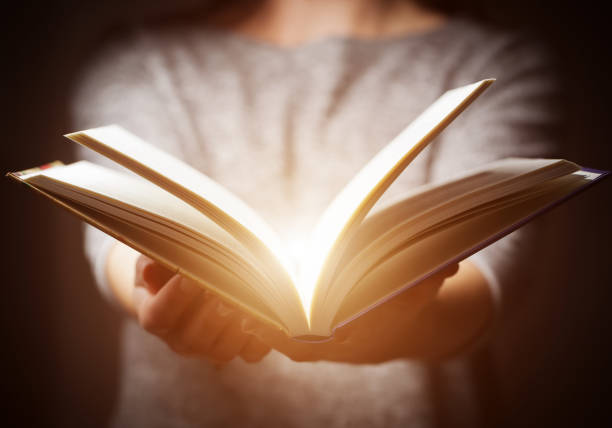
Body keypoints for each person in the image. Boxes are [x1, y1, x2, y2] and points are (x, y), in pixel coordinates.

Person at [72, 0, 564, 425]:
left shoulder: (493, 63)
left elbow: (485, 281)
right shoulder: (142, 60)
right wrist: (149, 289)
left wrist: (383, 325)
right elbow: (120, 234)